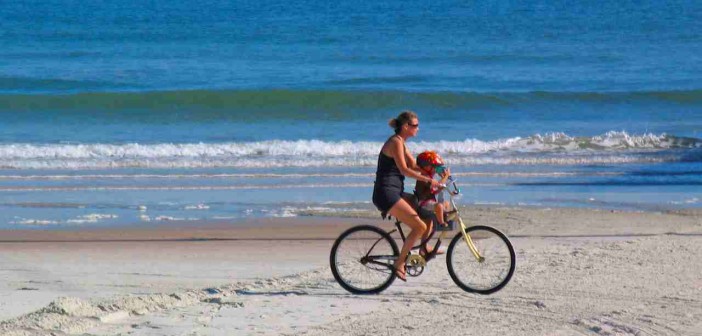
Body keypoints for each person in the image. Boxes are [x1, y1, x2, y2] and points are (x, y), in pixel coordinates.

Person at [372, 110, 440, 282]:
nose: (418, 128)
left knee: (428, 212)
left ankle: (423, 249)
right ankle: (399, 264)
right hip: (386, 193)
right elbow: (405, 170)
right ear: (405, 126)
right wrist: (427, 179)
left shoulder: (401, 142)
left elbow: (415, 165)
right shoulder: (395, 142)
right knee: (419, 227)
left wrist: (438, 169)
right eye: (415, 125)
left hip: (396, 191)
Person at [415, 151, 452, 234]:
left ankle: (444, 217)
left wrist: (440, 188)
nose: (436, 170)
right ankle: (441, 223)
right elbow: (437, 184)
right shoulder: (424, 177)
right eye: (434, 167)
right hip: (423, 203)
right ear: (426, 167)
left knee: (446, 204)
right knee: (439, 206)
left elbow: (434, 189)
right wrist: (446, 176)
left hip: (430, 201)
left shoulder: (429, 177)